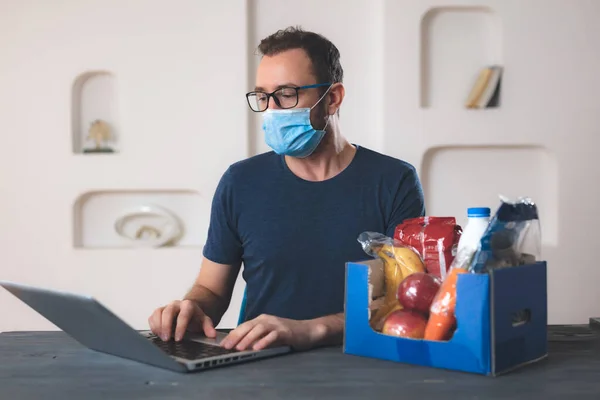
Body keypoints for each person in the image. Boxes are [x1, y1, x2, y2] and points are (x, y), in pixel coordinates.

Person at [148, 26, 425, 352]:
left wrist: (312, 330)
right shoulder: (241, 182)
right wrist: (191, 308)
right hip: (257, 364)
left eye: (287, 94)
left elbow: (404, 299)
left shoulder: (394, 180)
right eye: (263, 96)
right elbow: (211, 289)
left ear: (332, 98)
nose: (272, 110)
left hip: (363, 363)